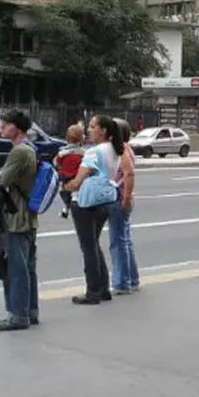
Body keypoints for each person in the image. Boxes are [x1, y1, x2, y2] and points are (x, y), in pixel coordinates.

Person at [63, 114, 123, 305]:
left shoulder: (93, 152)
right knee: (95, 245)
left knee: (88, 248)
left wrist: (65, 186)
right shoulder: (114, 150)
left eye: (92, 126)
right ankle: (103, 288)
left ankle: (93, 291)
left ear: (103, 130)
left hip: (85, 203)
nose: (88, 130)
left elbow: (77, 182)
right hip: (104, 202)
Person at [0, 109, 40, 332]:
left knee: (15, 268)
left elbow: (2, 181)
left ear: (17, 128)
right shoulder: (30, 148)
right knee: (28, 266)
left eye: (5, 124)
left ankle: (18, 315)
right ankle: (30, 311)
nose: (1, 128)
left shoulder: (19, 152)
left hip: (15, 217)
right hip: (28, 215)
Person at [110, 118, 138, 294]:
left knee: (118, 242)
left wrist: (126, 197)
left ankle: (121, 282)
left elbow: (129, 174)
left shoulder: (122, 151)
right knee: (124, 240)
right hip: (123, 198)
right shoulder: (125, 149)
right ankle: (132, 278)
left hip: (119, 198)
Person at [54, 124, 86, 219]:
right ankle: (73, 207)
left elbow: (56, 163)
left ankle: (66, 208)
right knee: (76, 193)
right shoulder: (83, 152)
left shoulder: (62, 152)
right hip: (77, 175)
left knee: (63, 191)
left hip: (64, 176)